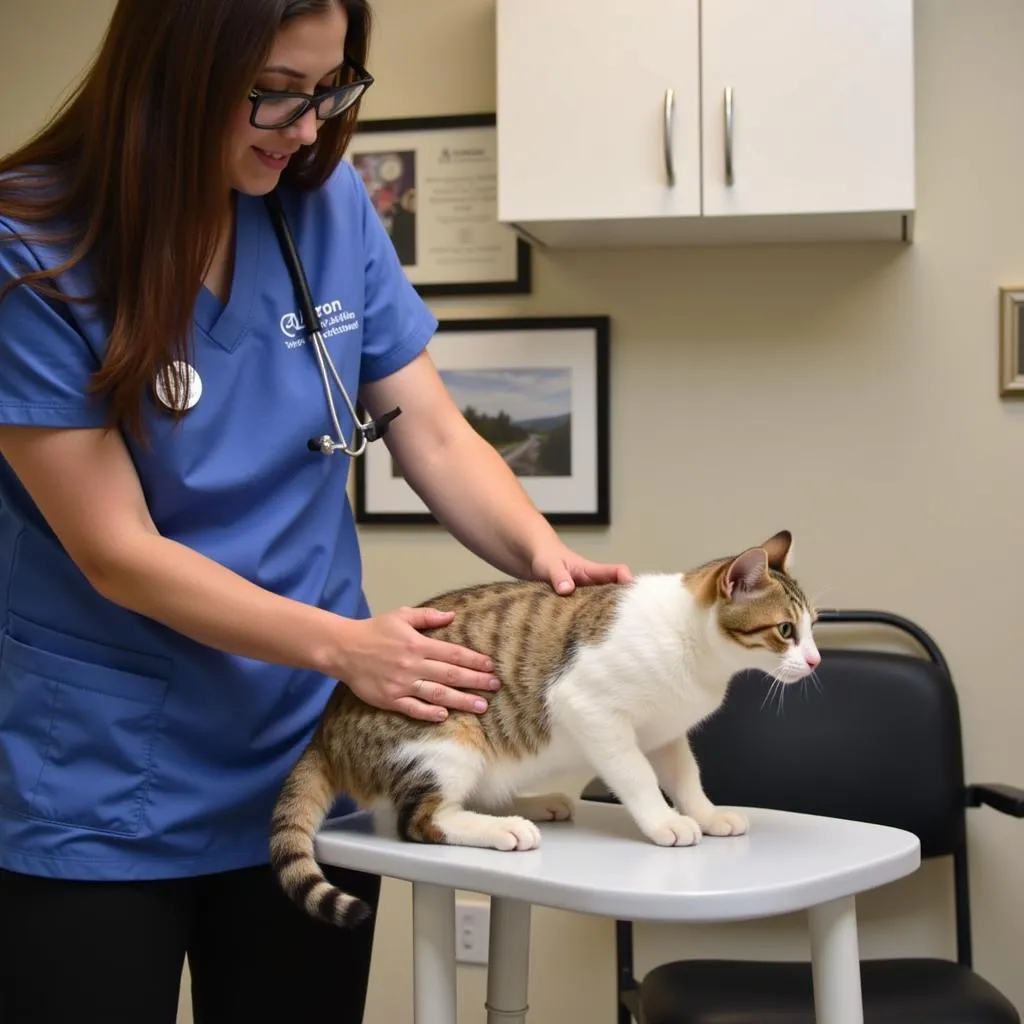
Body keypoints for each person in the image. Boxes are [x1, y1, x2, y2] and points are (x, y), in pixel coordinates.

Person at [0, 1, 632, 1022]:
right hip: (108, 775)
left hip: (308, 751)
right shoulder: (30, 244)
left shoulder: (324, 201)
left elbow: (428, 429)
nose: (307, 127)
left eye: (330, 88)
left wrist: (546, 563)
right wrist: (346, 647)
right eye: (275, 94)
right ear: (171, 72)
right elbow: (116, 551)